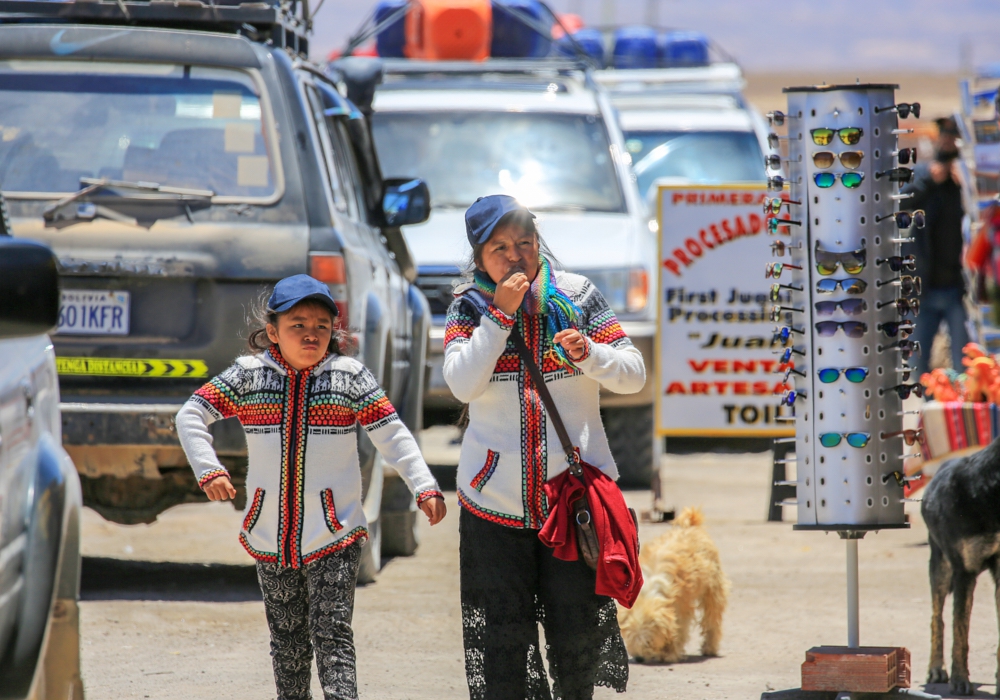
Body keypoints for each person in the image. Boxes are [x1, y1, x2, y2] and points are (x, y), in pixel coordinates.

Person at [175, 274, 446, 700]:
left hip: (336, 533)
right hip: (269, 535)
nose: (311, 334)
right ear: (273, 332)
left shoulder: (350, 377)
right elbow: (190, 415)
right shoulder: (249, 376)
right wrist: (209, 469)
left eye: (322, 326)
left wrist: (424, 486)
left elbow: (392, 434)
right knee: (287, 644)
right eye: (297, 324)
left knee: (333, 634)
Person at [444, 195, 646, 699]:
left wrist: (591, 354)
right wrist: (499, 317)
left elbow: (633, 375)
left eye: (524, 243)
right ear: (479, 256)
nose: (515, 257)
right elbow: (461, 384)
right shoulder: (468, 306)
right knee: (502, 649)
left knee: (576, 640)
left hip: (571, 505)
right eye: (499, 248)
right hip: (493, 508)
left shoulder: (578, 296)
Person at [904, 117, 969, 377]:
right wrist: (929, 181)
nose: (948, 140)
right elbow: (900, 203)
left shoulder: (966, 176)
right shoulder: (924, 174)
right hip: (925, 288)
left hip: (960, 290)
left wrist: (967, 185)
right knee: (918, 363)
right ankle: (931, 408)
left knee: (964, 361)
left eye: (954, 135)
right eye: (944, 134)